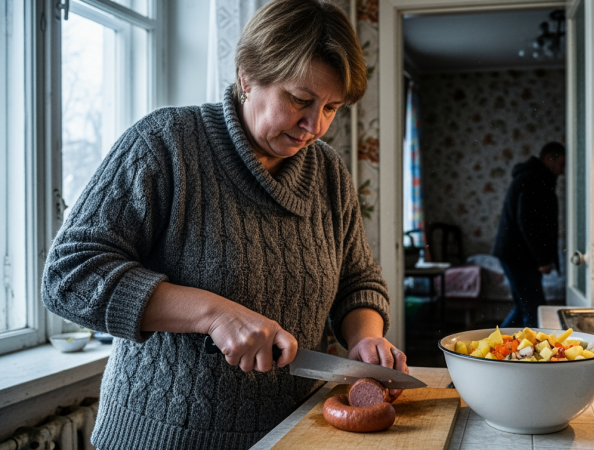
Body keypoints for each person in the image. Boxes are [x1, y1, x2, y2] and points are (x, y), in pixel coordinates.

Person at [41, 1, 406, 448]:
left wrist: (365, 339)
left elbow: (357, 280)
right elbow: (69, 276)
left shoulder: (328, 172)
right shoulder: (165, 143)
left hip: (294, 434)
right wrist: (212, 313)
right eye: (300, 100)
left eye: (332, 107)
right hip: (163, 438)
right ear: (247, 77)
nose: (315, 125)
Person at [491, 142, 565, 328]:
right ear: (549, 158)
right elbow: (528, 221)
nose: (563, 170)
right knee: (534, 310)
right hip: (519, 256)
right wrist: (543, 259)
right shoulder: (535, 178)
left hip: (516, 254)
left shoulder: (534, 176)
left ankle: (495, 344)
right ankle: (499, 345)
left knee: (526, 307)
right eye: (561, 164)